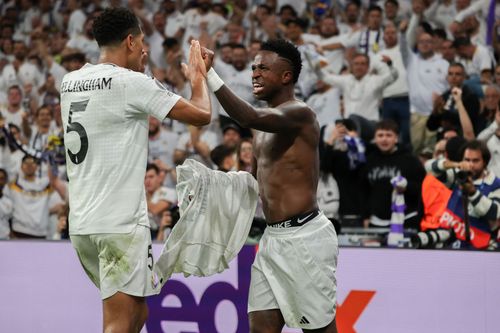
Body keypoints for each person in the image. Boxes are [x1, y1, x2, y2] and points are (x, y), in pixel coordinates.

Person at [60, 8, 211, 333]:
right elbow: (201, 114)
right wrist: (198, 78)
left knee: (138, 313)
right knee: (118, 322)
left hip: (83, 225)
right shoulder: (131, 82)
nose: (145, 50)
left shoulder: (69, 82)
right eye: (142, 43)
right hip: (120, 225)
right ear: (130, 41)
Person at [205, 39, 338, 332]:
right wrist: (213, 191)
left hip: (306, 238)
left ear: (286, 76)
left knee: (319, 330)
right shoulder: (262, 129)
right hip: (272, 239)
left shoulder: (301, 114)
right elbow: (255, 183)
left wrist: (210, 74)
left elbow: (248, 115)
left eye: (263, 68)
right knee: (260, 328)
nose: (255, 73)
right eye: (253, 67)